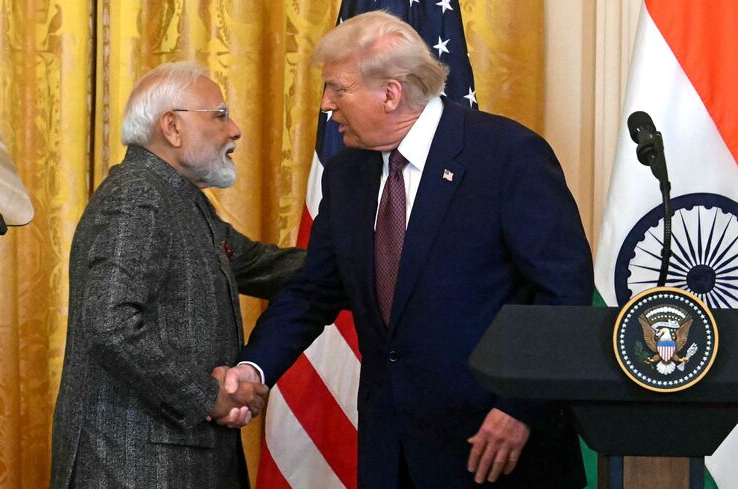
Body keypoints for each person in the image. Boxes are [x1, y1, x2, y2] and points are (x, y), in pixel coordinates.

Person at [224, 11, 593, 489]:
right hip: (392, 450)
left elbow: (562, 294)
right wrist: (254, 369)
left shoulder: (506, 156)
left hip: (496, 448)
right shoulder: (348, 175)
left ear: (390, 94)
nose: (326, 105)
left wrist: (521, 407)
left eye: (337, 88)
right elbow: (313, 291)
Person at [50, 62, 305, 489]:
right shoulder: (138, 196)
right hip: (133, 469)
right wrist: (208, 396)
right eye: (220, 116)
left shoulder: (177, 198)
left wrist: (370, 263)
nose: (236, 130)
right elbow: (109, 325)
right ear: (172, 127)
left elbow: (263, 266)